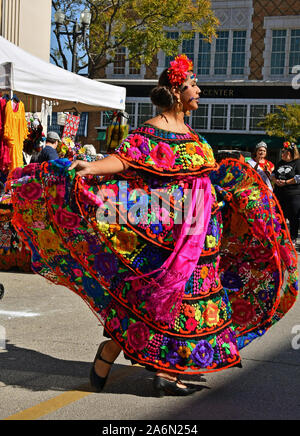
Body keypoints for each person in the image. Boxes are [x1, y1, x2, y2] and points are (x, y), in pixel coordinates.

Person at [7, 55, 298, 398]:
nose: (199, 90)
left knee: (162, 302)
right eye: (193, 85)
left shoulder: (193, 135)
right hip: (166, 231)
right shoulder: (150, 131)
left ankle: (113, 357)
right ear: (177, 90)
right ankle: (163, 373)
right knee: (159, 299)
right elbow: (125, 159)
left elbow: (205, 178)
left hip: (200, 233)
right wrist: (90, 167)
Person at [272, 141, 300, 247]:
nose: (282, 153)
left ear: (289, 153)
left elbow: (298, 178)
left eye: (283, 151)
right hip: (279, 194)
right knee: (280, 216)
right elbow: (273, 174)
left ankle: (293, 237)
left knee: (293, 217)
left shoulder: (297, 163)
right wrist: (275, 180)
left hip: (293, 194)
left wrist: (286, 182)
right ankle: (282, 236)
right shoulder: (280, 163)